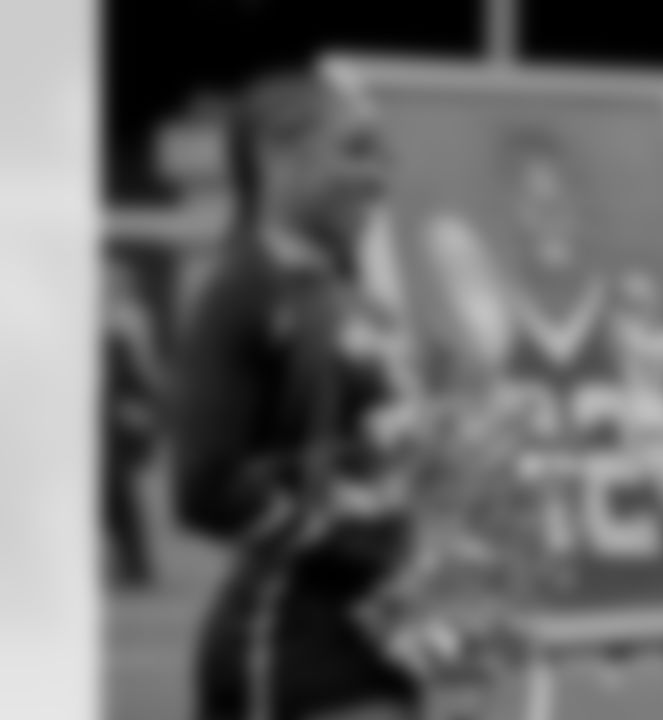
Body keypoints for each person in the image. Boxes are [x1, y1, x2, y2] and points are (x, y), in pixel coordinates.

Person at [174, 69, 426, 720]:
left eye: (382, 153)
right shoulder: (242, 290)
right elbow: (204, 485)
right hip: (289, 643)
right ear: (277, 157)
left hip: (383, 635)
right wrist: (343, 535)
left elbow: (363, 455)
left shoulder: (353, 293)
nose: (379, 175)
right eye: (356, 150)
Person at [102, 258, 165, 589]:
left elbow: (142, 373)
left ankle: (135, 564)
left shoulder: (126, 323)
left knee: (118, 496)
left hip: (114, 425)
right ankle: (129, 563)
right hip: (106, 424)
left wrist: (144, 408)